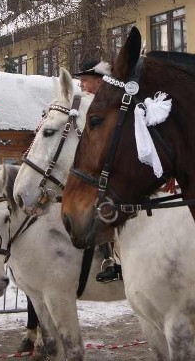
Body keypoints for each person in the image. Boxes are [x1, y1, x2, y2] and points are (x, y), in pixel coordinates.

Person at [74, 59, 123, 284]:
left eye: (85, 80)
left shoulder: (110, 104)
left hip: (114, 167)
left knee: (106, 208)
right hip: (93, 167)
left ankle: (113, 260)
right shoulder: (85, 104)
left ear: (99, 81)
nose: (82, 85)